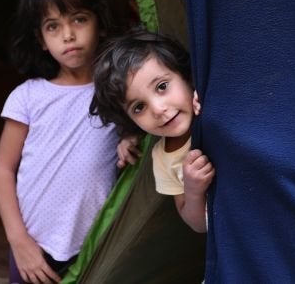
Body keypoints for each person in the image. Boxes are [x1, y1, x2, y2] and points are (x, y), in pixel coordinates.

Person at [0, 0, 136, 283]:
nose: (67, 35)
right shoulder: (28, 96)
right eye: (52, 26)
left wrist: (129, 136)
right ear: (41, 41)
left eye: (79, 19)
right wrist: (19, 241)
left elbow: (141, 125)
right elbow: (3, 169)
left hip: (95, 247)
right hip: (34, 250)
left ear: (100, 24)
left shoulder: (118, 90)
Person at [90, 28, 215, 233]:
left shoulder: (210, 102)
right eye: (139, 107)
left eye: (162, 86)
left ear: (186, 76)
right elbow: (198, 225)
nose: (158, 109)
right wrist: (193, 192)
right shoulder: (162, 158)